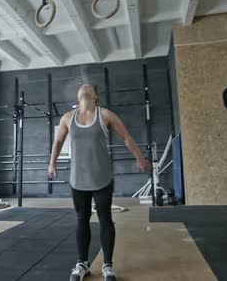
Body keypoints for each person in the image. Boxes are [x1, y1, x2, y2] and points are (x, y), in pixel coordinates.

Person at [48, 83, 151, 281]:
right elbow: (58, 142)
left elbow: (126, 137)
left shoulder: (105, 115)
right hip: (78, 179)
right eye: (82, 86)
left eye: (89, 87)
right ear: (78, 98)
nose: (85, 87)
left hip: (102, 178)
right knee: (82, 219)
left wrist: (139, 158)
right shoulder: (67, 118)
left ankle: (108, 265)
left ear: (95, 96)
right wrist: (51, 164)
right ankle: (82, 263)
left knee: (105, 220)